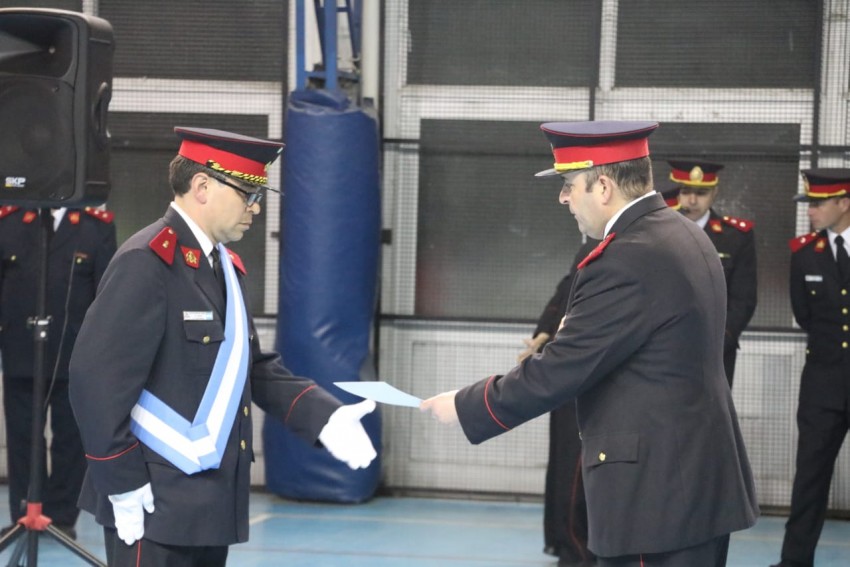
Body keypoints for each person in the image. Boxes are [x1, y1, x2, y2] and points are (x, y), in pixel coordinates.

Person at [421, 120, 759, 566]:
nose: (563, 198)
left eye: (568, 185)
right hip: (695, 485)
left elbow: (562, 366)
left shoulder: (627, 257)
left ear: (602, 187)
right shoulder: (682, 233)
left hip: (654, 499)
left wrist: (466, 404)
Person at [68, 127, 377, 567]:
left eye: (259, 196)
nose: (255, 207)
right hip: (151, 498)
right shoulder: (148, 262)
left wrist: (323, 415)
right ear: (202, 187)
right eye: (247, 193)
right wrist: (119, 479)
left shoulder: (222, 267)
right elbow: (94, 379)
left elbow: (248, 368)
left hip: (207, 501)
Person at [0, 204, 117, 538]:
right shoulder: (9, 222)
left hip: (75, 357)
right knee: (23, 438)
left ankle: (61, 516)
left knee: (70, 438)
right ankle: (25, 510)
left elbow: (105, 294)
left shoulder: (96, 227)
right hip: (21, 352)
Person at [773, 168, 850, 567]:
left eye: (818, 204)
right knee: (809, 480)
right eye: (809, 204)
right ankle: (794, 561)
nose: (811, 212)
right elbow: (805, 315)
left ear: (844, 202)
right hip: (823, 384)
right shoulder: (804, 254)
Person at [518, 239, 597, 567]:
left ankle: (583, 549)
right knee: (566, 466)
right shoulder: (589, 249)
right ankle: (568, 545)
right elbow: (563, 296)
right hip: (565, 380)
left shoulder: (629, 249)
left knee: (583, 471)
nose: (566, 198)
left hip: (592, 379)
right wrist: (542, 335)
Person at [669, 159, 757, 387]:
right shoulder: (658, 232)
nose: (692, 200)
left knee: (712, 418)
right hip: (663, 348)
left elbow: (744, 298)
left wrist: (722, 338)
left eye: (701, 192)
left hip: (715, 349)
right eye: (686, 191)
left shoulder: (735, 237)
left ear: (714, 193)